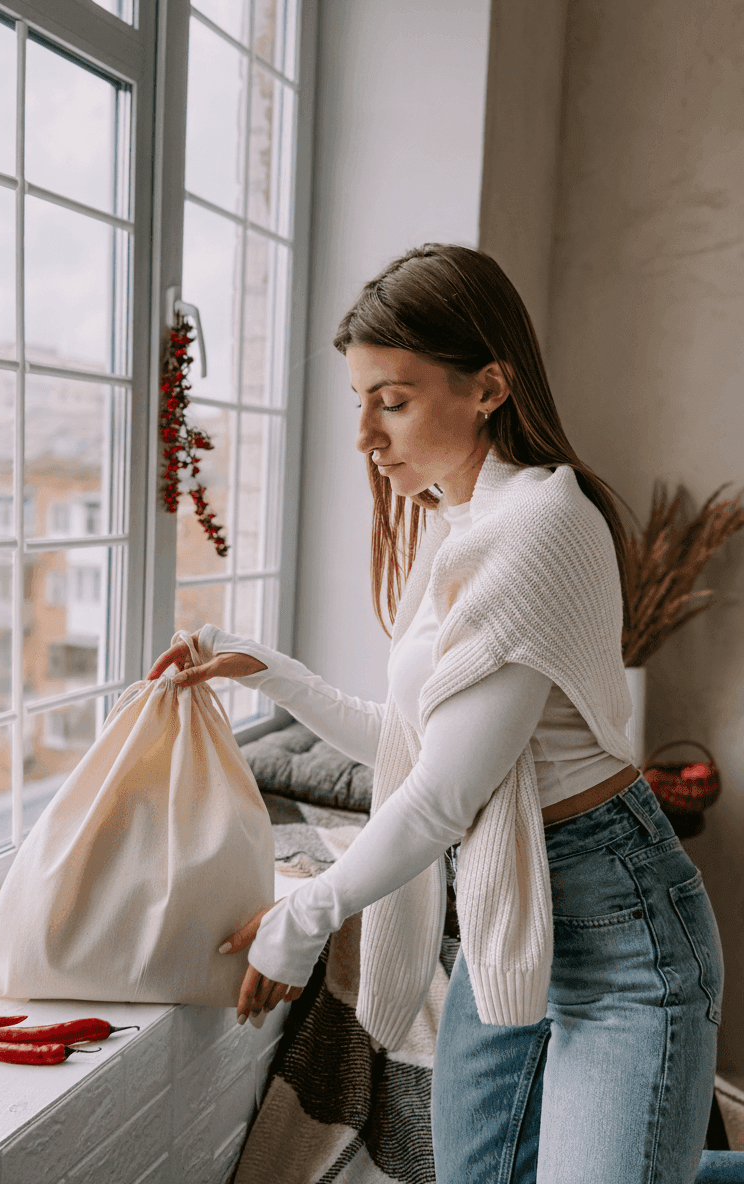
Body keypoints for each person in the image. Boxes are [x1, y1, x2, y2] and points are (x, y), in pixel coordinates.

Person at [148, 245, 725, 1183]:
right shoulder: (458, 524)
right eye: (360, 399)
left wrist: (303, 920)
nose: (367, 436)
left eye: (395, 398)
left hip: (621, 931)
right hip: (511, 916)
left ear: (490, 385)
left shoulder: (540, 526)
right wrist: (272, 675)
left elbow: (442, 799)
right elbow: (412, 751)